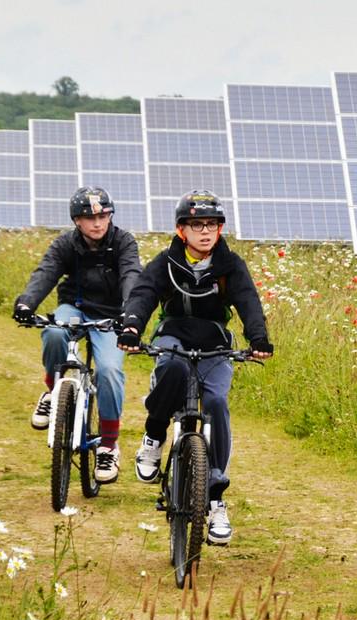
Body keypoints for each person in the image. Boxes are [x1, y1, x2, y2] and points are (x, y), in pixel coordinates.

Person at [117, 190, 273, 545]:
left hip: (215, 342)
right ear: (180, 229)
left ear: (220, 229)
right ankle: (154, 437)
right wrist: (131, 327)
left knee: (217, 403)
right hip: (173, 335)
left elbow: (248, 301)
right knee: (171, 370)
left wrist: (259, 339)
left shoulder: (230, 266)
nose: (205, 231)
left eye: (212, 224)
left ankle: (216, 498)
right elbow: (143, 295)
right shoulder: (166, 262)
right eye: (196, 224)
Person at [13, 186, 142, 483]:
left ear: (110, 216)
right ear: (76, 221)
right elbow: (46, 273)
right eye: (89, 217)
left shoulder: (124, 242)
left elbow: (131, 275)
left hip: (112, 315)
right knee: (54, 332)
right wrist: (26, 303)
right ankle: (52, 390)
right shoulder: (65, 244)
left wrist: (130, 312)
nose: (97, 223)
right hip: (75, 307)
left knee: (109, 370)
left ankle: (109, 445)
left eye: (103, 215)